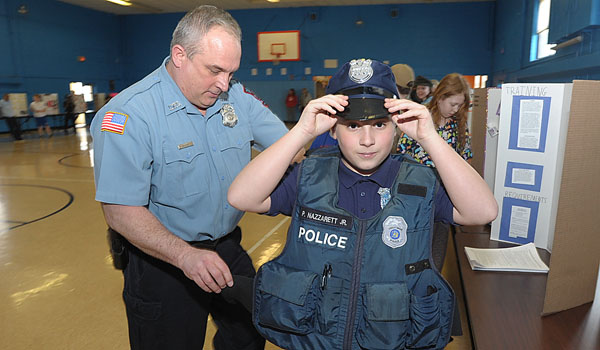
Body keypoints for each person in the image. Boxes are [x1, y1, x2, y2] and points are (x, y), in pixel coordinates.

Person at [228, 59, 497, 349]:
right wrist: (301, 133)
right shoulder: (307, 177)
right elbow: (241, 197)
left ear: (396, 126)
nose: (367, 140)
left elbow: (483, 211)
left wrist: (429, 137)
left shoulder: (421, 183)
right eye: (353, 126)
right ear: (333, 129)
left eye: (380, 124)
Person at [90, 5, 292, 350]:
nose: (224, 83)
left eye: (231, 72)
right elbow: (120, 211)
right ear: (179, 55)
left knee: (251, 333)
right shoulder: (129, 115)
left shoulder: (235, 98)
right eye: (214, 70)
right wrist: (185, 256)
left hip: (225, 246)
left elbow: (291, 145)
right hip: (163, 261)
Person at [397, 72, 473, 270]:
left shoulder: (458, 126)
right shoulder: (419, 118)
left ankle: (433, 284)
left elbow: (465, 159)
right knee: (412, 242)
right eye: (452, 104)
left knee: (438, 245)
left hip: (445, 190)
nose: (456, 109)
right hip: (416, 188)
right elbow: (401, 152)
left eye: (459, 105)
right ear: (440, 98)